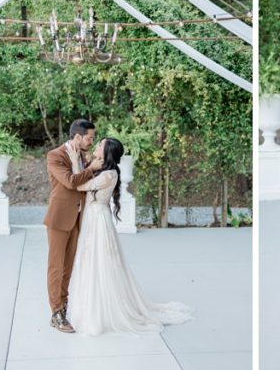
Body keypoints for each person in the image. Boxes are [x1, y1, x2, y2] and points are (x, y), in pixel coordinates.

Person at [66, 137, 193, 336]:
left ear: (107, 152)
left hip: (98, 220)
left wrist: (75, 162)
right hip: (92, 218)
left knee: (99, 262)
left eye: (100, 145)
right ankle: (87, 305)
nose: (97, 146)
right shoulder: (101, 170)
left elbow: (79, 186)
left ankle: (101, 311)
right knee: (88, 260)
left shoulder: (108, 174)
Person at [43, 118, 102, 333]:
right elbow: (69, 181)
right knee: (56, 267)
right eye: (89, 138)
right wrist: (91, 168)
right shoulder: (55, 156)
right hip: (59, 218)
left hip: (78, 218)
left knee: (68, 267)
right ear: (77, 136)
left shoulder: (83, 156)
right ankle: (56, 312)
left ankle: (64, 307)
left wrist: (92, 165)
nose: (91, 141)